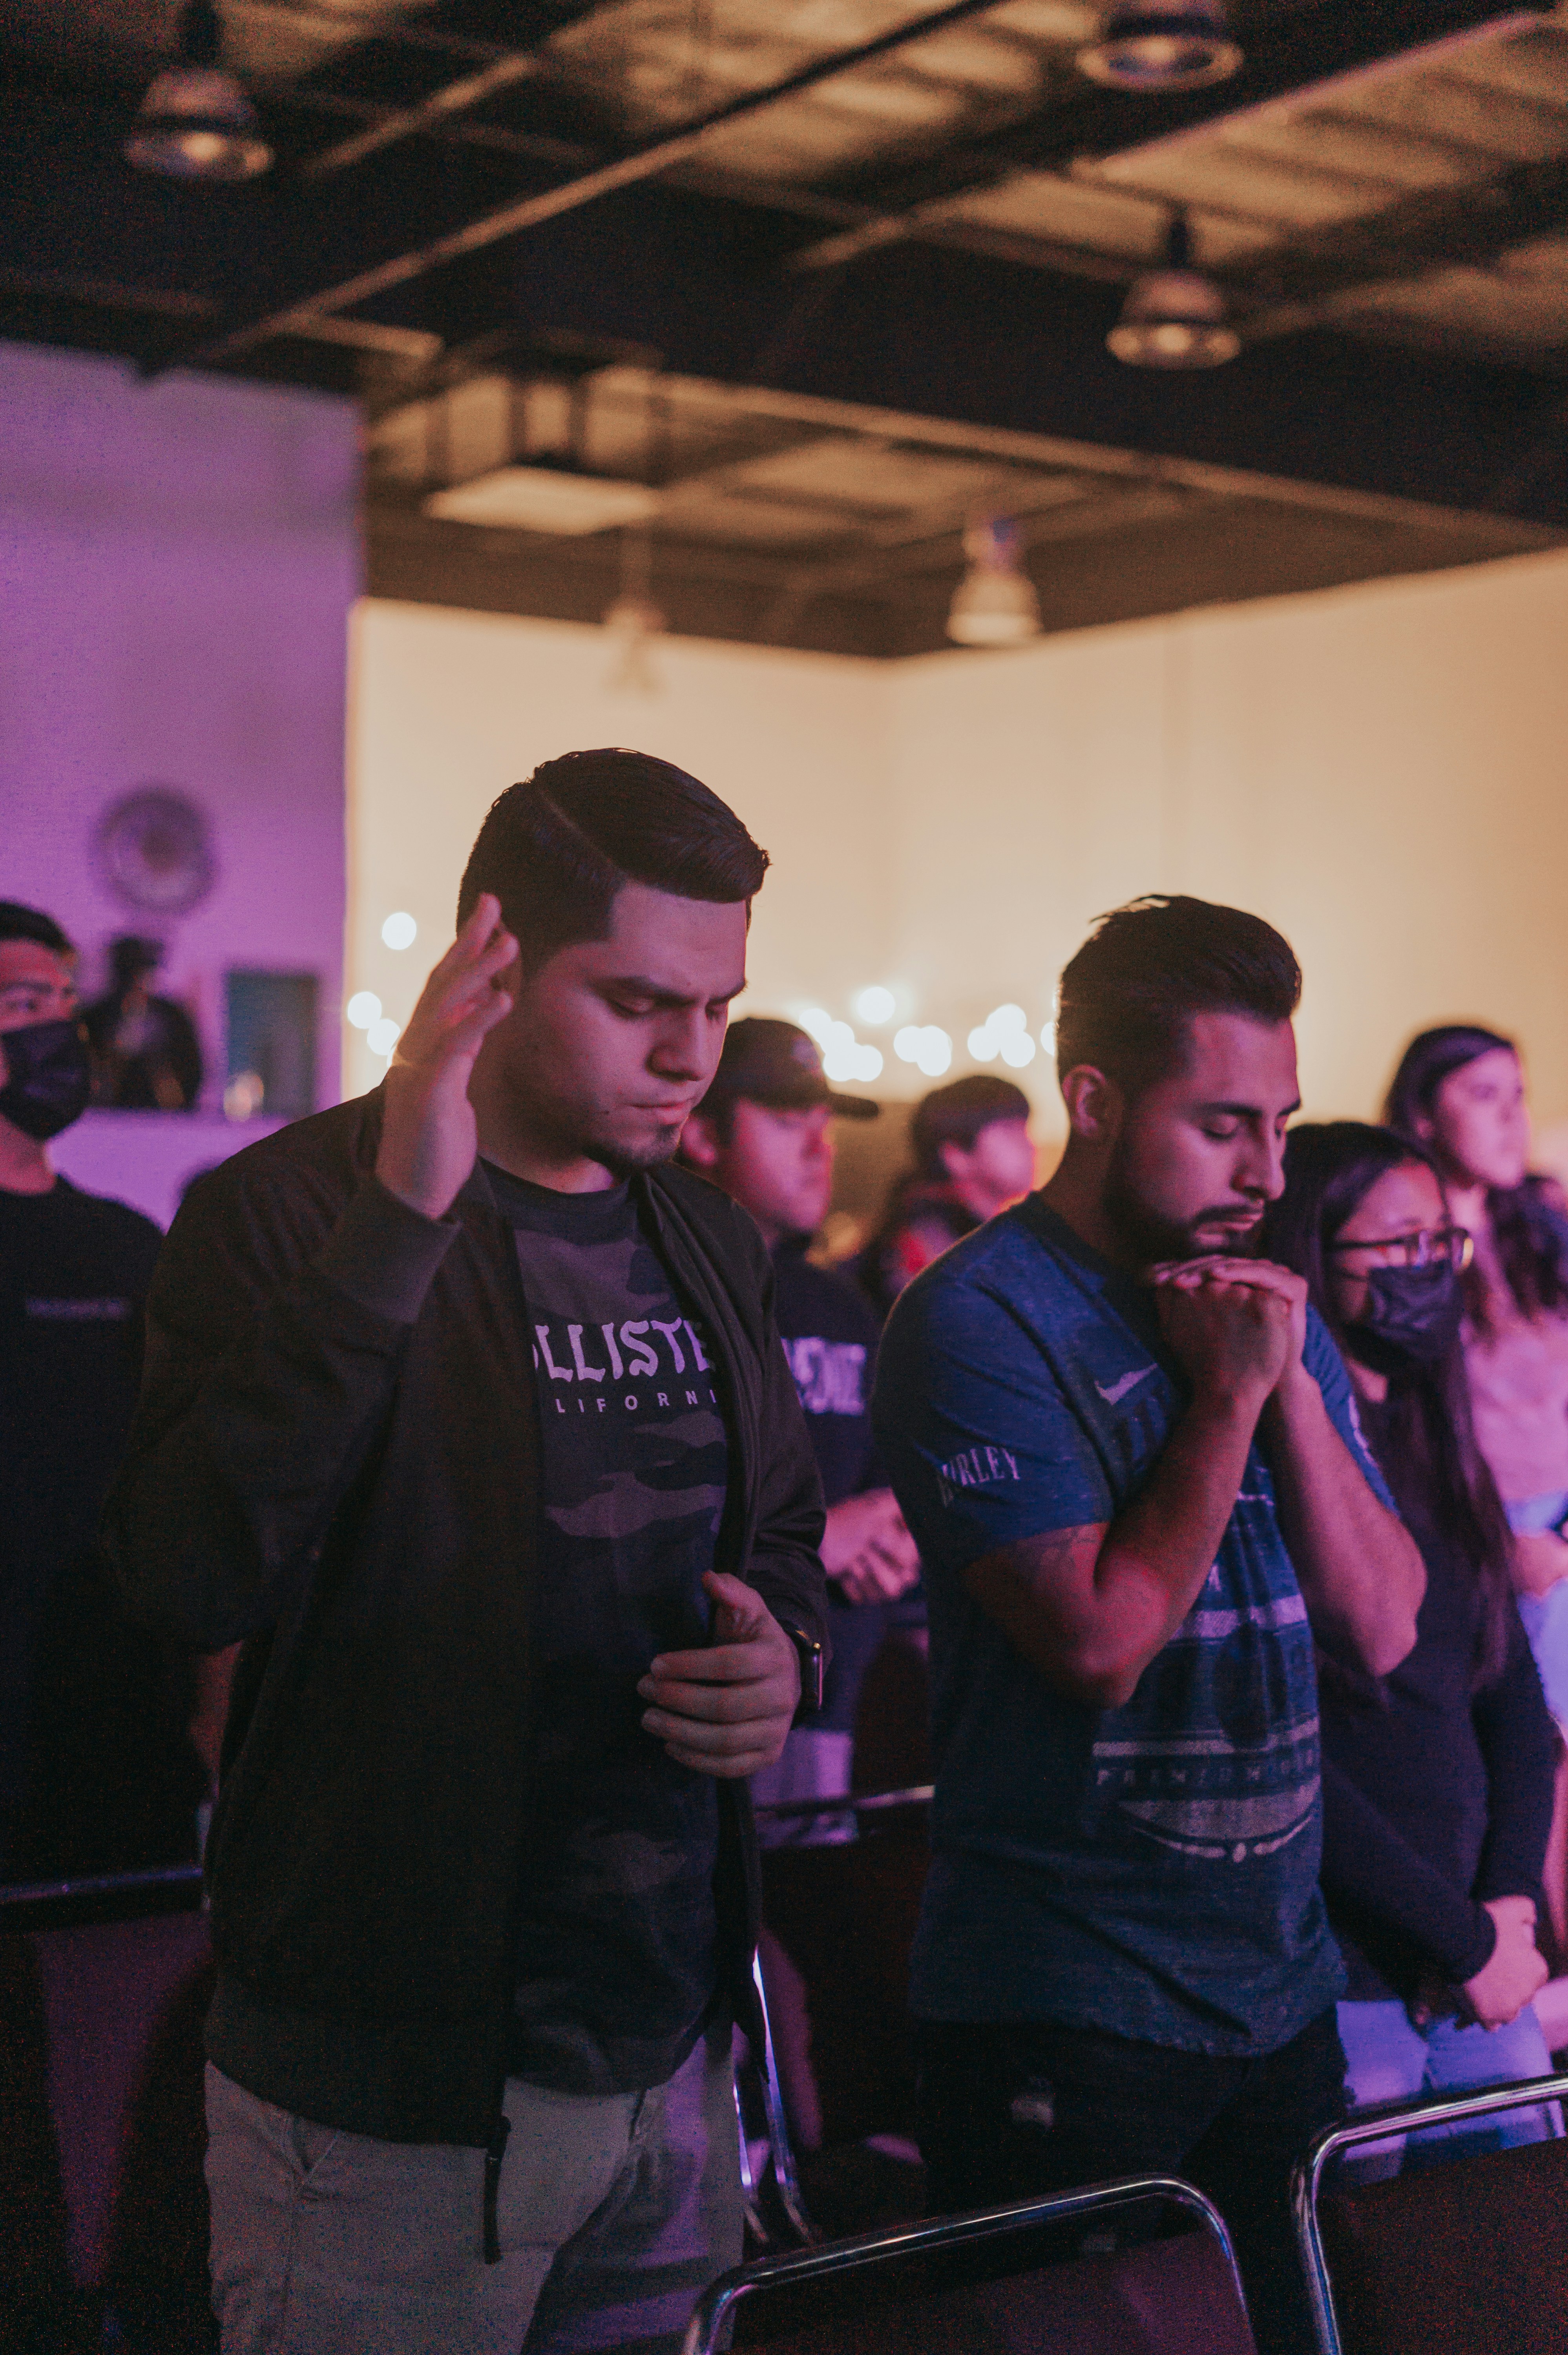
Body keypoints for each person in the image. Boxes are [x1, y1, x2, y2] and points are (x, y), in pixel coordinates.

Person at [103, 752, 831, 2355]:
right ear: (487, 964)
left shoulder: (697, 1229)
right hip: (388, 2100)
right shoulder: (286, 1212)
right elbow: (192, 1574)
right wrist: (399, 1222)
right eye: (640, 999)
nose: (688, 1056)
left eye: (718, 1009)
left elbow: (782, 1529)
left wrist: (792, 1649)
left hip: (667, 2060)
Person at [872, 895, 1424, 2355]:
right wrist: (1231, 1396)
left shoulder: (1268, 1302)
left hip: (1276, 1985)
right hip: (1062, 2003)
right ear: (1095, 1100)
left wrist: (1287, 1375)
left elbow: (1380, 1624)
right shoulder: (976, 1319)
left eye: (1282, 1123)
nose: (1266, 1169)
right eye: (1223, 1123)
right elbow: (1097, 1640)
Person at [1262, 1122, 1557, 2167]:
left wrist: (1508, 1913)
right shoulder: (1286, 1463)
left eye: (1442, 1242)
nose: (1427, 1268)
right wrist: (1459, 1938)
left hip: (1483, 1965)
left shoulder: (1438, 1440)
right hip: (1356, 1967)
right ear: (1309, 1256)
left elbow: (1515, 1708)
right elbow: (1291, 1758)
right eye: (1395, 1247)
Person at [681, 1018, 921, 1837]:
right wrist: (823, 1540)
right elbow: (634, 1523)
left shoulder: (837, 1305)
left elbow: (883, 1486)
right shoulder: (654, 1296)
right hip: (691, 1719)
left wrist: (895, 1534)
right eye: (789, 1123)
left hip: (826, 1717)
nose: (820, 1149)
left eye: (825, 1126)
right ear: (703, 1133)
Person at [0, 900, 199, 1882]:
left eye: (67, 1003)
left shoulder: (127, 1246)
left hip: (118, 1726)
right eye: (29, 1002)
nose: (63, 1033)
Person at [1386, 1026, 1568, 1729]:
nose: (1511, 1118)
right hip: (1466, 1534)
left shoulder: (1542, 1233)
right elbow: (1401, 1429)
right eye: (1485, 1095)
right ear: (1425, 1114)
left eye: (1518, 1096)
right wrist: (1499, 1549)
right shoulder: (1403, 1250)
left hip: (1556, 1527)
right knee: (1520, 1757)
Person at [855, 1075, 1034, 1324]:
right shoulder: (931, 1244)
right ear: (956, 1154)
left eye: (1025, 1130)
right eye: (1009, 1131)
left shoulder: (974, 1236)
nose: (1030, 1145)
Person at [83, 933, 204, 1111]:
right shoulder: (94, 1016)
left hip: (164, 1122)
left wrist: (156, 1056)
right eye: (130, 974)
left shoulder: (173, 1017)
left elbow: (192, 1075)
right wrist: (116, 1051)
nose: (137, 982)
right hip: (104, 1121)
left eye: (143, 972)